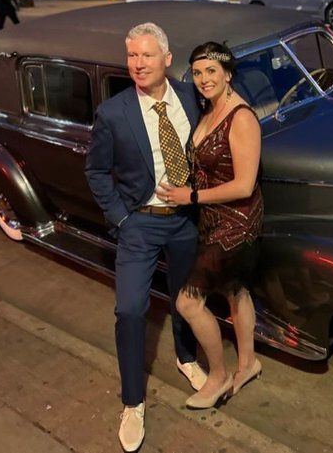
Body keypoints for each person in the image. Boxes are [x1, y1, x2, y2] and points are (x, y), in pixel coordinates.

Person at [85, 22, 207, 452]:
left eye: (147, 55)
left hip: (186, 220)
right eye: (132, 55)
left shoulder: (191, 97)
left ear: (167, 59)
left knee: (186, 299)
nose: (138, 63)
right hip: (140, 222)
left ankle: (186, 356)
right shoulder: (113, 112)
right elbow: (96, 171)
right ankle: (132, 402)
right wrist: (121, 219)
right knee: (130, 310)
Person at [167, 42, 263, 410]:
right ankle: (248, 364)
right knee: (235, 290)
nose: (204, 78)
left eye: (211, 71)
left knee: (188, 303)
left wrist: (189, 196)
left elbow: (244, 185)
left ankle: (218, 376)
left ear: (228, 74)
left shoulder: (241, 118)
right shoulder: (210, 109)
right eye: (197, 72)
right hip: (211, 218)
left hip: (236, 224)